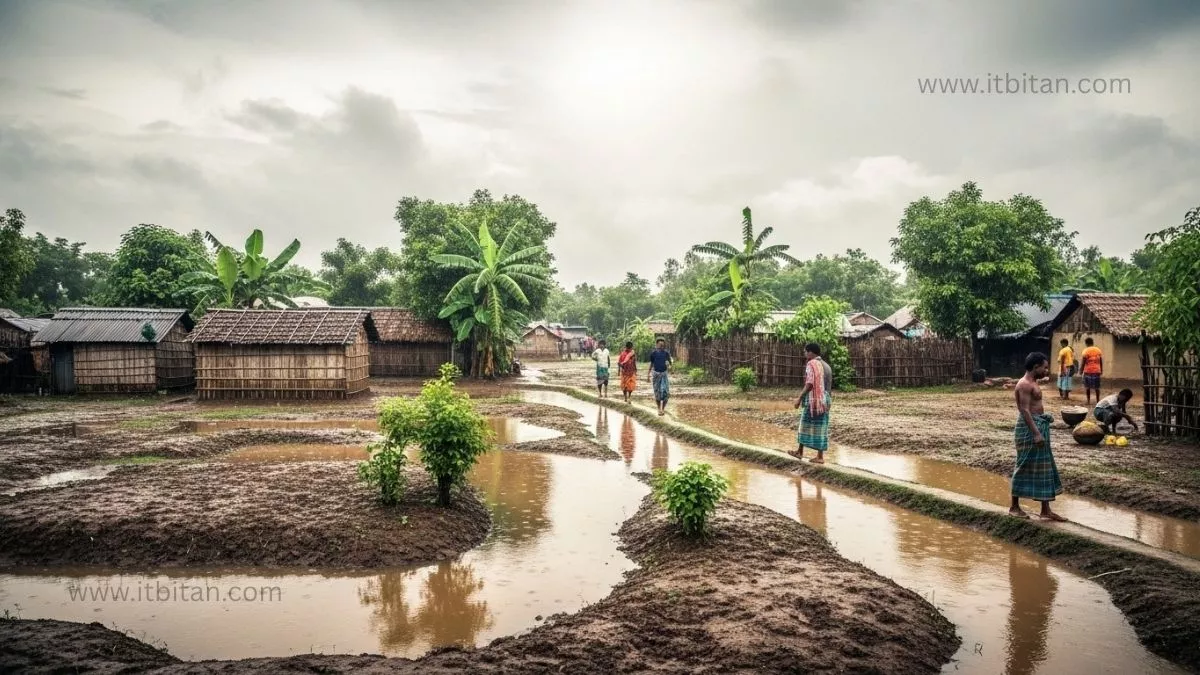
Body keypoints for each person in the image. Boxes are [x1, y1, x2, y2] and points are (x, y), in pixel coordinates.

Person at [1010, 352, 1066, 521]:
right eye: (1045, 367)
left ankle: (1045, 510)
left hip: (1038, 425)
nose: (1046, 370)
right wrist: (1036, 433)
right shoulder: (1024, 384)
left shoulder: (1032, 382)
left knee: (1044, 467)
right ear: (1036, 367)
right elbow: (1024, 410)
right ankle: (1014, 507)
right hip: (1029, 429)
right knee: (1023, 465)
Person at [793, 342, 833, 464]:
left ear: (810, 352)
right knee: (821, 427)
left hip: (815, 399)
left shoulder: (813, 364)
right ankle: (817, 455)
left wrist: (800, 397)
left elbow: (810, 384)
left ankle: (801, 452)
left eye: (805, 351)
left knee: (804, 424)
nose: (804, 354)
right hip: (825, 399)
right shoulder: (826, 366)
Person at [647, 338, 672, 416]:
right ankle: (659, 409)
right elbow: (651, 364)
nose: (661, 346)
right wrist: (648, 374)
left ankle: (663, 409)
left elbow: (670, 364)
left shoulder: (666, 353)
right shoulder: (653, 354)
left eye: (663, 345)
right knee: (657, 393)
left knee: (666, 393)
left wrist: (671, 369)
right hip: (656, 374)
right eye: (660, 344)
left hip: (664, 374)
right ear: (657, 345)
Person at [1080, 337, 1103, 405]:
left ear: (1086, 343)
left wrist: (1081, 370)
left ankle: (1088, 401)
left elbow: (1083, 361)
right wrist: (1101, 369)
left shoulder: (1086, 351)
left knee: (1087, 387)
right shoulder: (1098, 350)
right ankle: (1098, 401)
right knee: (1097, 387)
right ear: (1092, 342)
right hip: (1097, 371)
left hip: (1088, 371)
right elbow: (1100, 361)